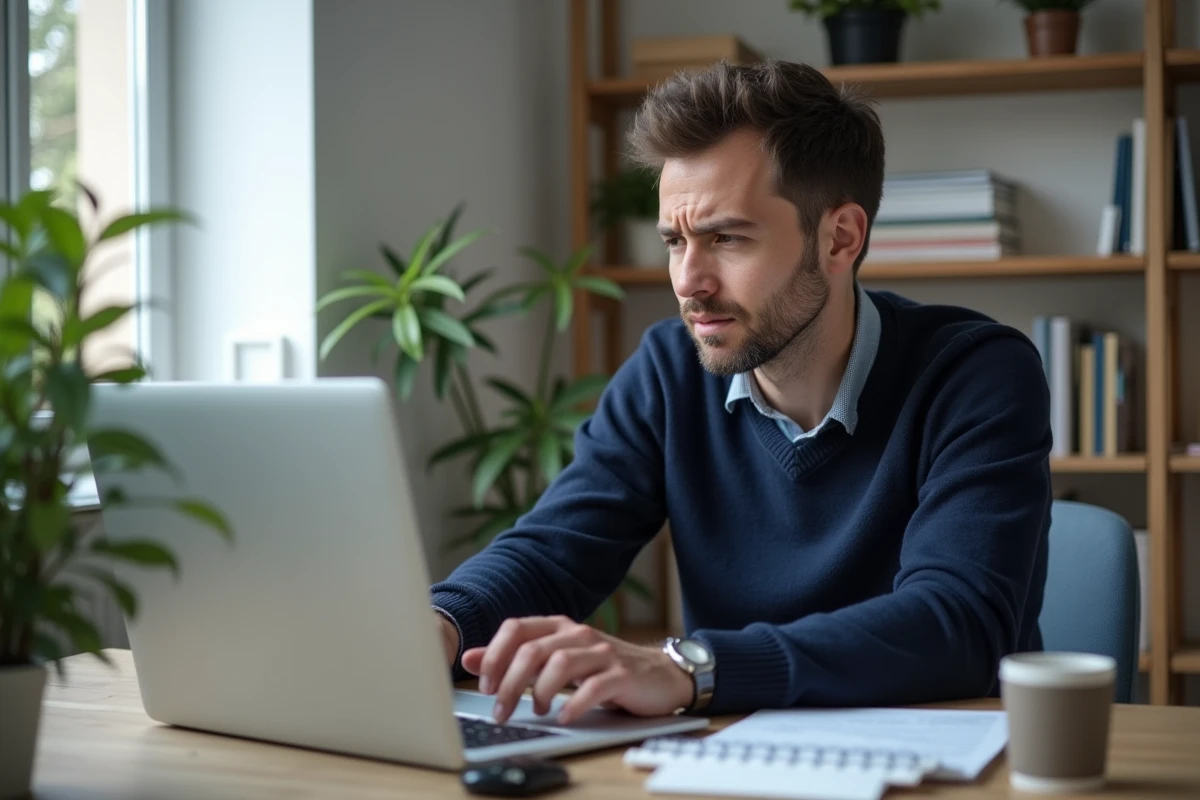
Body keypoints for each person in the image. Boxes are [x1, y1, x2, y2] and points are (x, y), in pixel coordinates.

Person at [429, 59, 1052, 727]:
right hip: (736, 753)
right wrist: (439, 625)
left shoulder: (976, 374)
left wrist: (686, 669)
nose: (689, 281)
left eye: (726, 238)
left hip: (947, 756)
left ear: (840, 237)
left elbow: (956, 622)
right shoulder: (669, 372)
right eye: (675, 241)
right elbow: (555, 551)